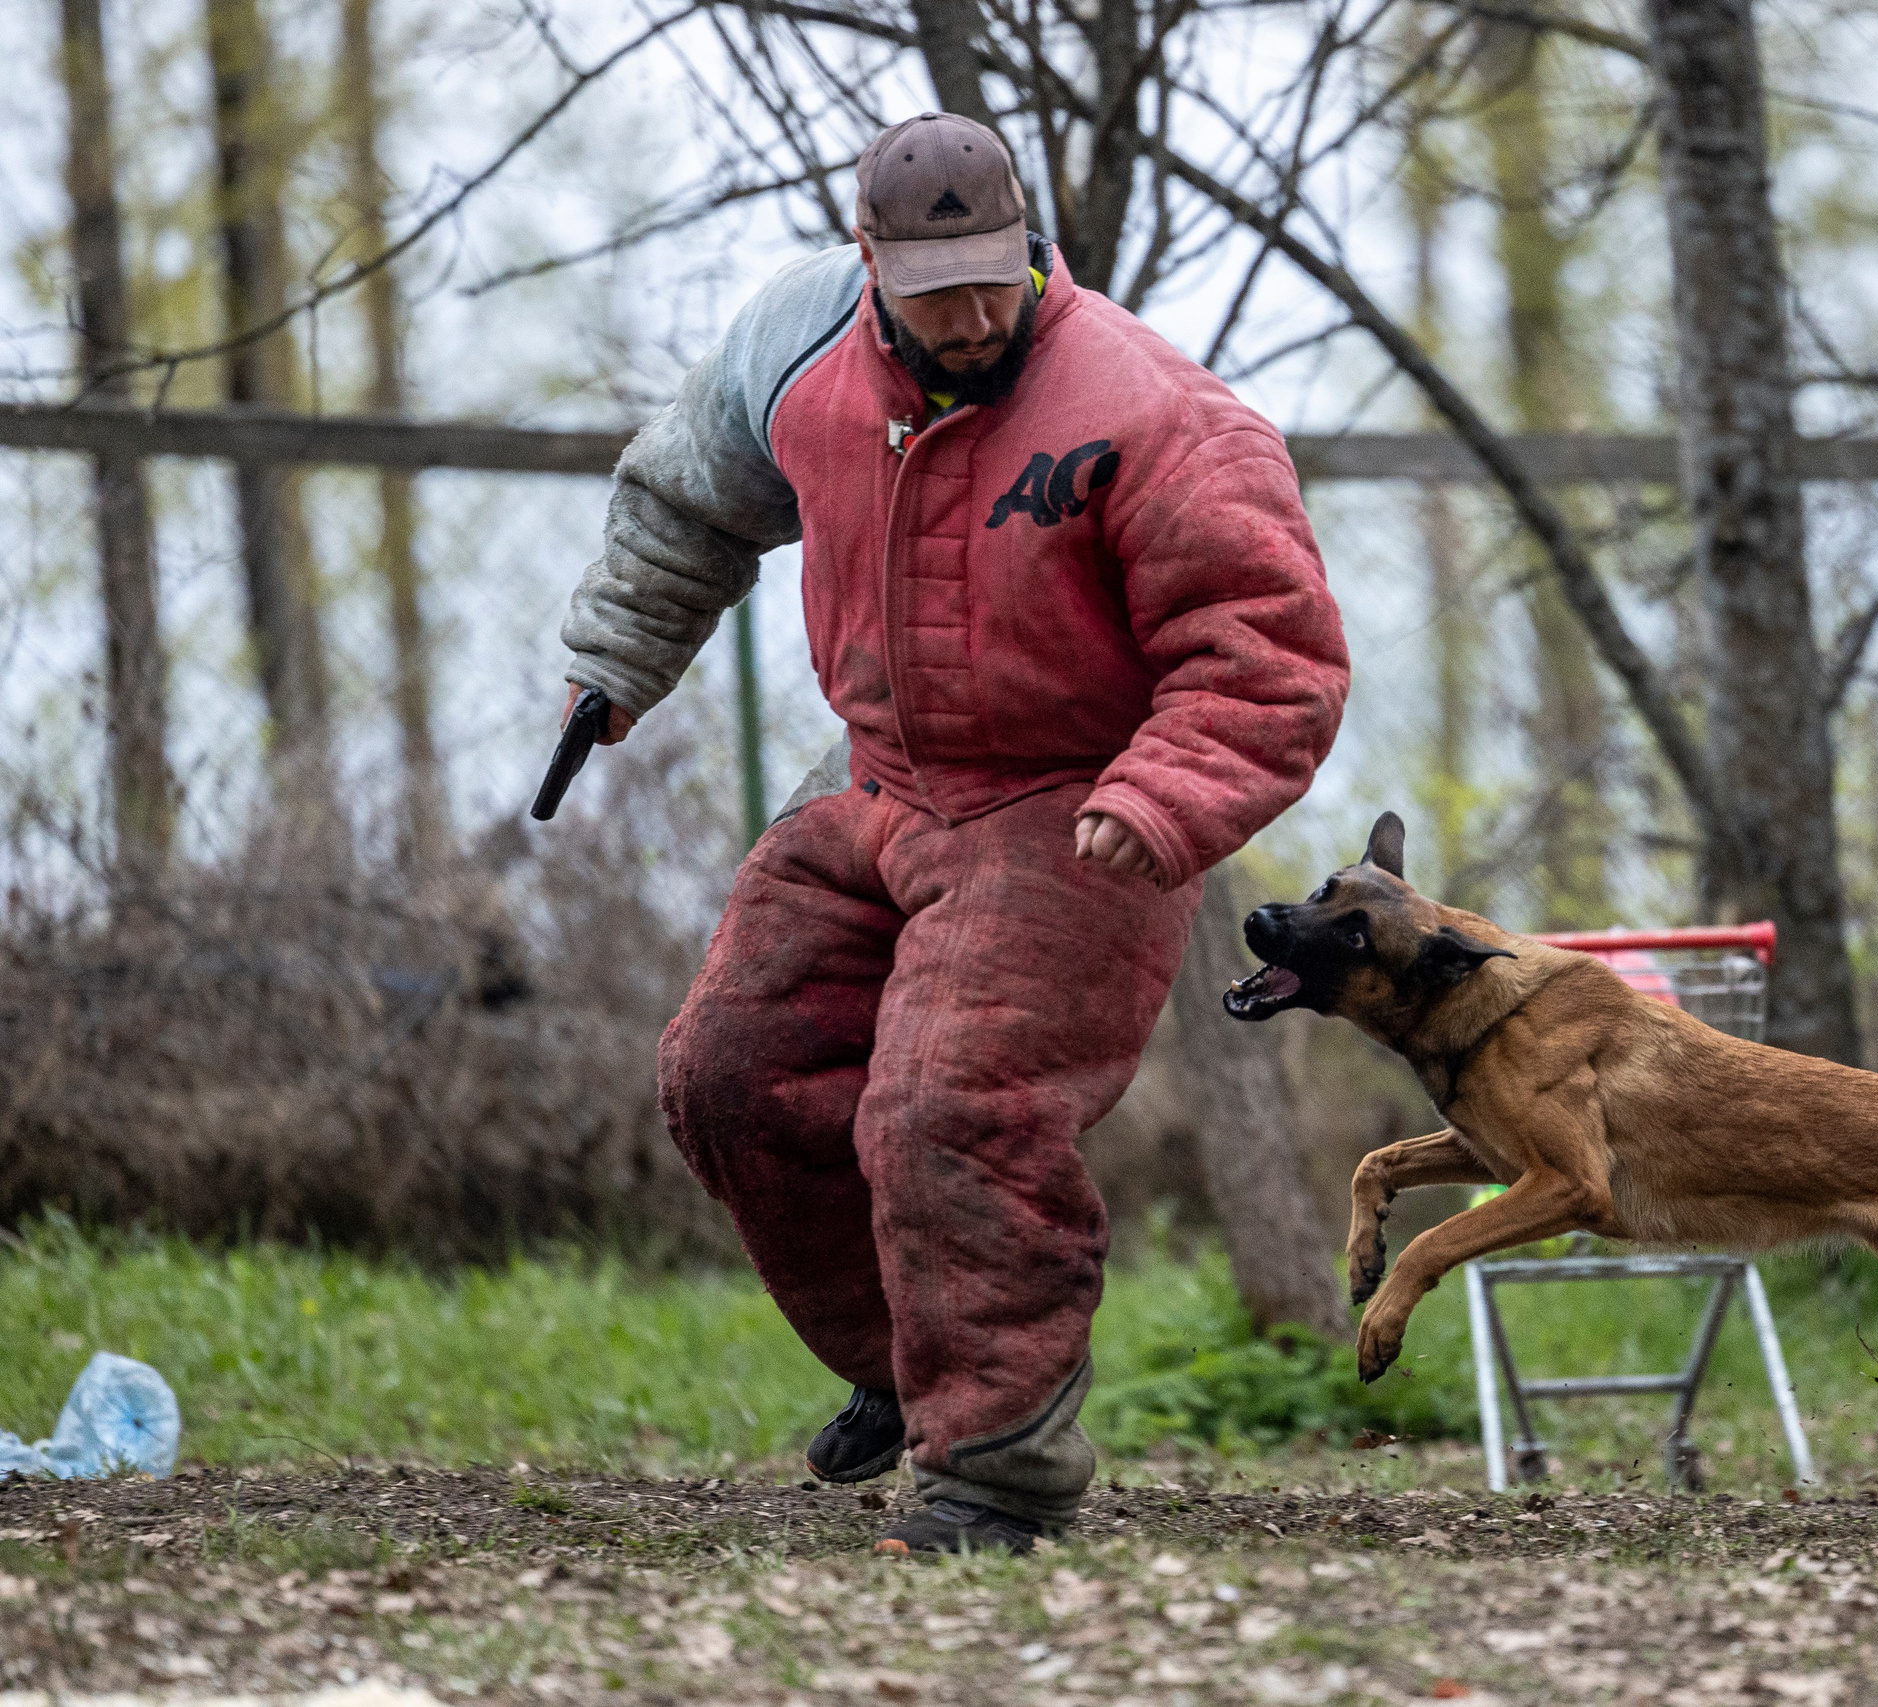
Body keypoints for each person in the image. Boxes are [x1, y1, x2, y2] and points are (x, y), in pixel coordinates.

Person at [554, 113, 1348, 1556]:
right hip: (877, 783)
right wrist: (618, 660)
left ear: (1030, 242)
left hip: (1070, 802)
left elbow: (1269, 659)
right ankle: (905, 1363)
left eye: (998, 278)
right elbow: (685, 502)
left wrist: (1160, 799)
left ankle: (997, 1470)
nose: (976, 316)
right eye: (939, 292)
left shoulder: (1157, 412)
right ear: (870, 263)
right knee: (729, 1073)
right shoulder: (793, 348)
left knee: (946, 1113)